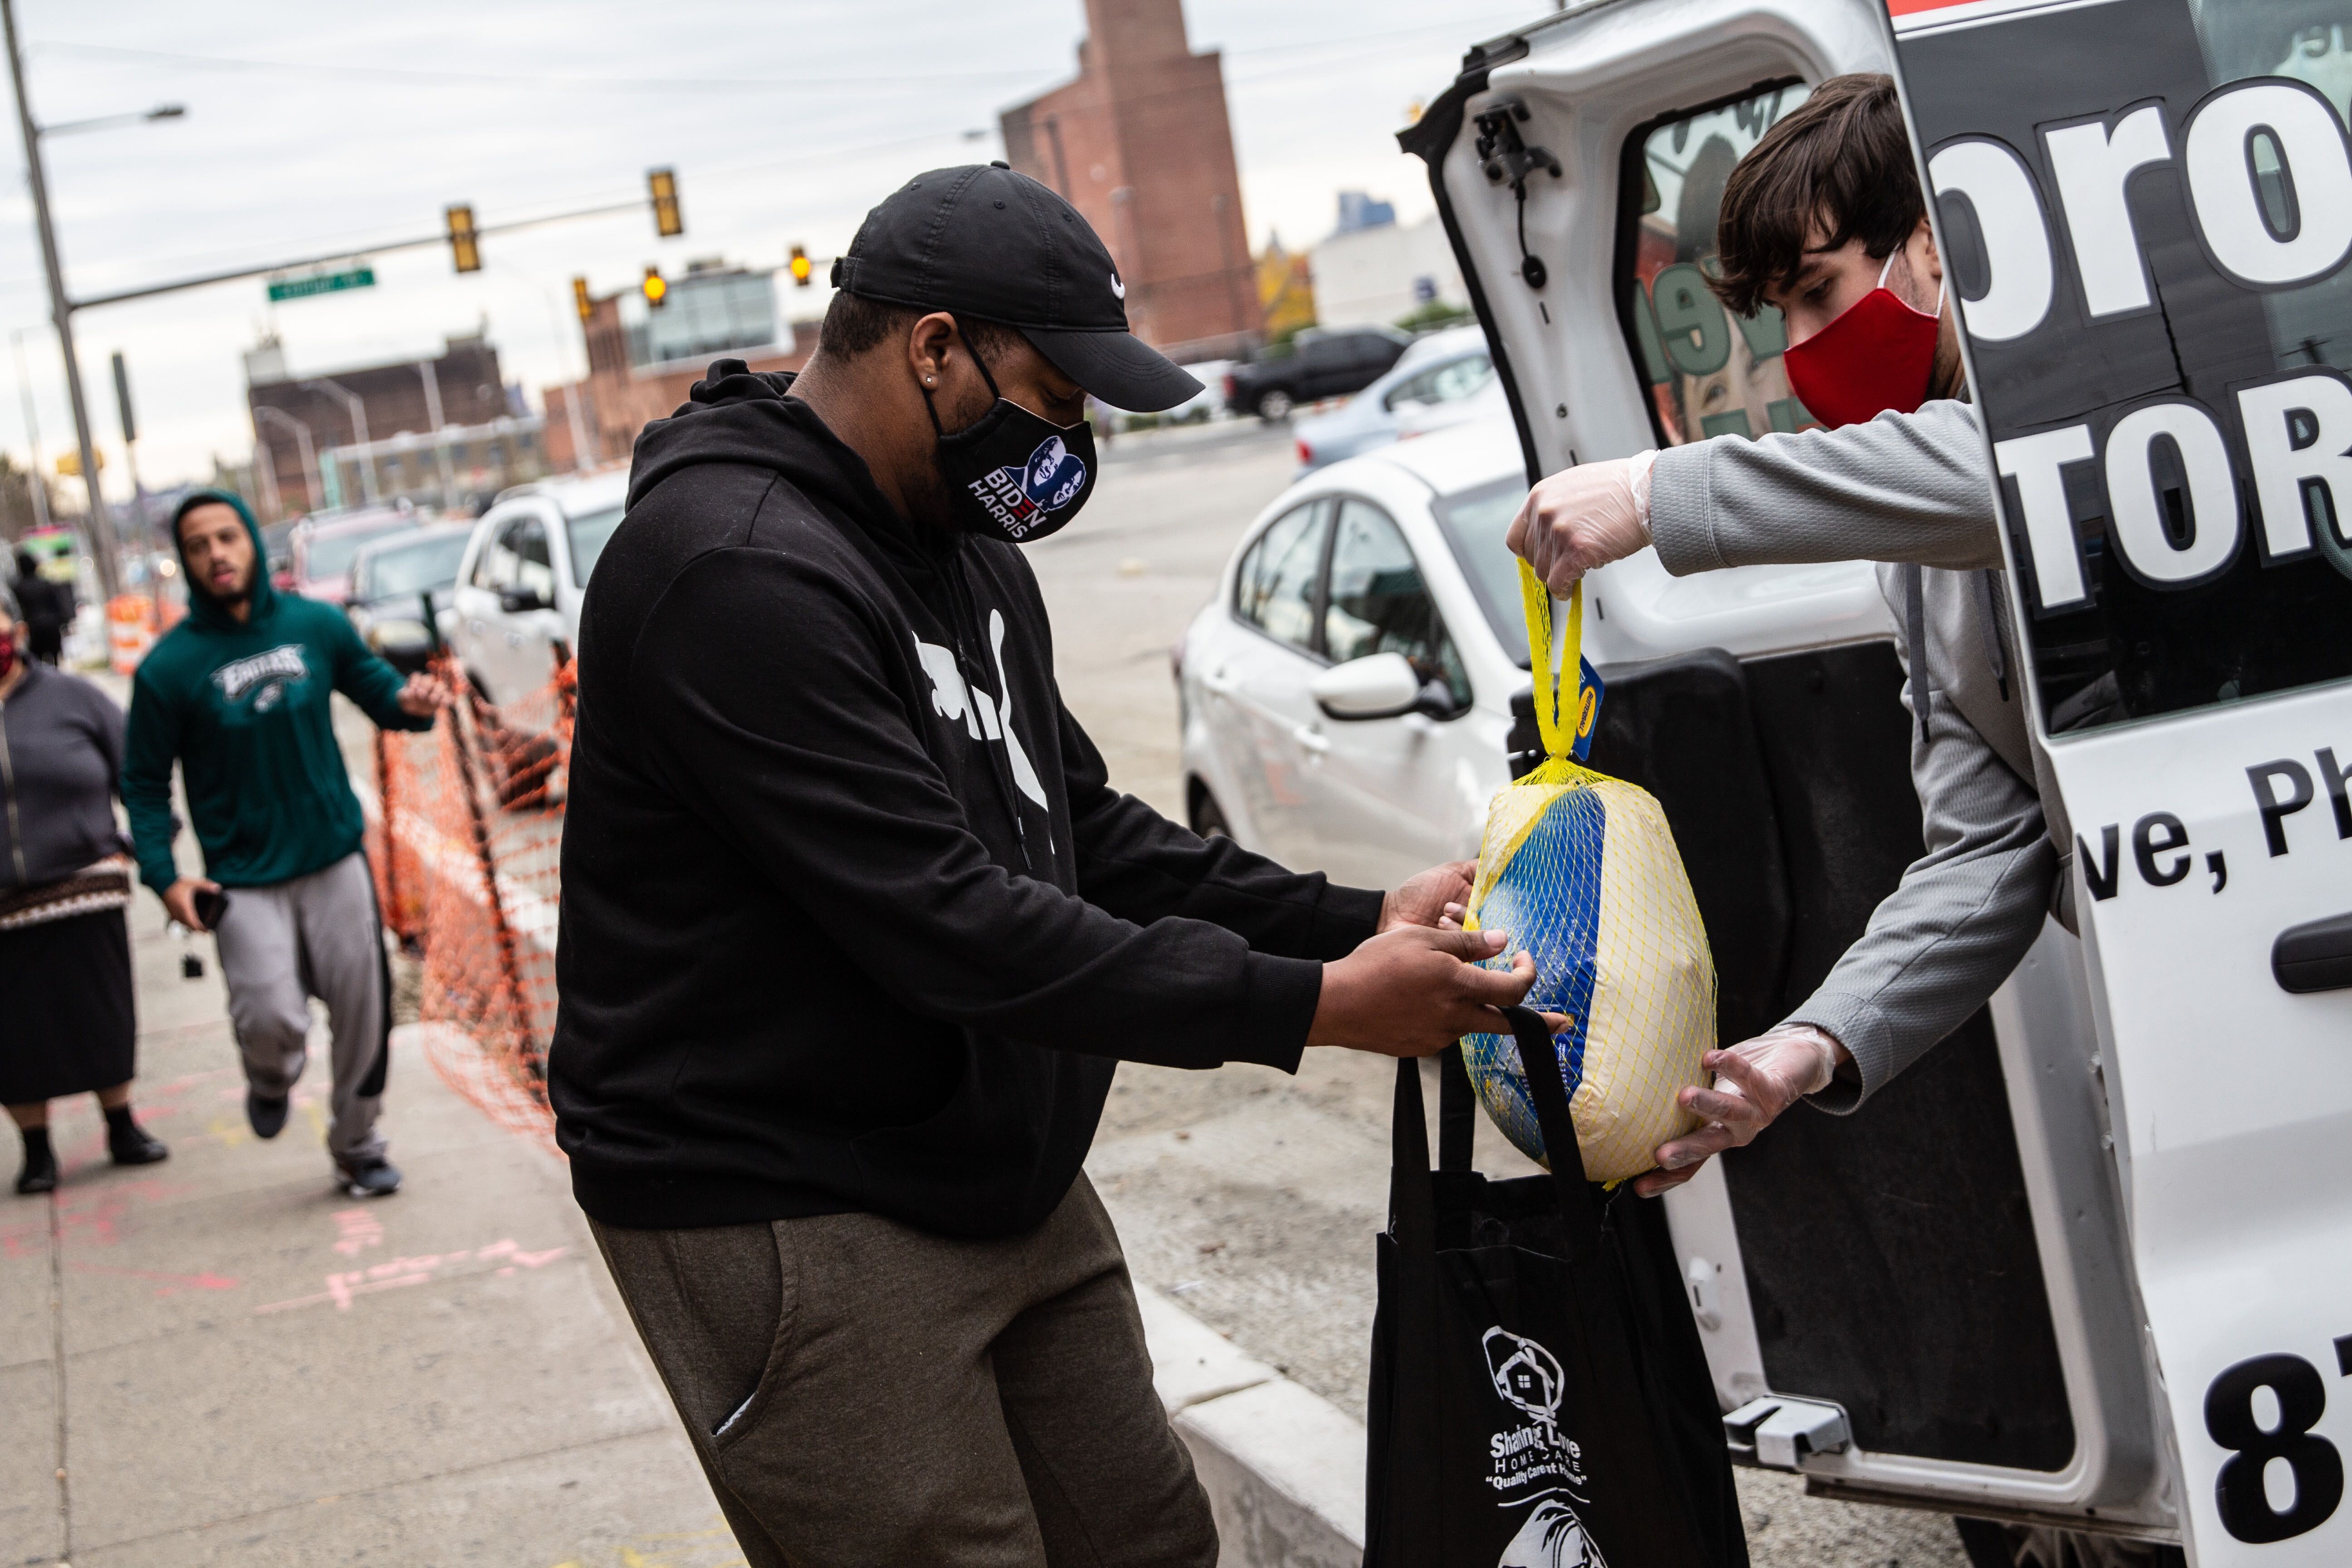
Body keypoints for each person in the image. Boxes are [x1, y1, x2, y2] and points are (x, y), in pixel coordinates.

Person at [550, 163, 1549, 1568]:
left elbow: (1081, 829)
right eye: (1061, 395)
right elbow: (952, 926)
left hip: (998, 1165)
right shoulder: (735, 572)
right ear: (935, 346)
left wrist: (1354, 915)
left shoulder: (961, 554)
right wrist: (1319, 1002)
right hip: (780, 1188)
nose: (1072, 438)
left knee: (1150, 1542)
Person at [1505, 74, 2059, 1200]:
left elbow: (1993, 468)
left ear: (1932, 245)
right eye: (1781, 315)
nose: (1803, 348)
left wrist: (1653, 492)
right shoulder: (1911, 544)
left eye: (1819, 290)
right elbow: (1989, 845)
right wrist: (1809, 1044)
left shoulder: (2051, 409)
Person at [122, 491, 448, 1198]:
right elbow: (143, 786)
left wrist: (413, 705)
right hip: (243, 877)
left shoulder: (316, 626)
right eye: (200, 544)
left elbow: (382, 695)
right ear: (185, 561)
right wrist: (165, 878)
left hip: (334, 859)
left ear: (250, 543)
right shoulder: (167, 670)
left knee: (365, 1014)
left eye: (228, 537)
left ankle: (358, 1144)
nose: (217, 553)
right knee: (270, 1019)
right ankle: (269, 1077)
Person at [0, 581, 168, 1193]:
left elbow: (138, 774)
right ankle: (36, 1149)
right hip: (3, 911)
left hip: (83, 889)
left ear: (17, 630)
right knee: (13, 1036)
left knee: (101, 1015)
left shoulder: (74, 698)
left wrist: (147, 842)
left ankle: (121, 1125)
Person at [12, 548, 74, 666]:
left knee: (38, 663)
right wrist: (65, 623)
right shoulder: (47, 584)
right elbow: (57, 605)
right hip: (52, 626)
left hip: (34, 629)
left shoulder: (18, 588)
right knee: (55, 661)